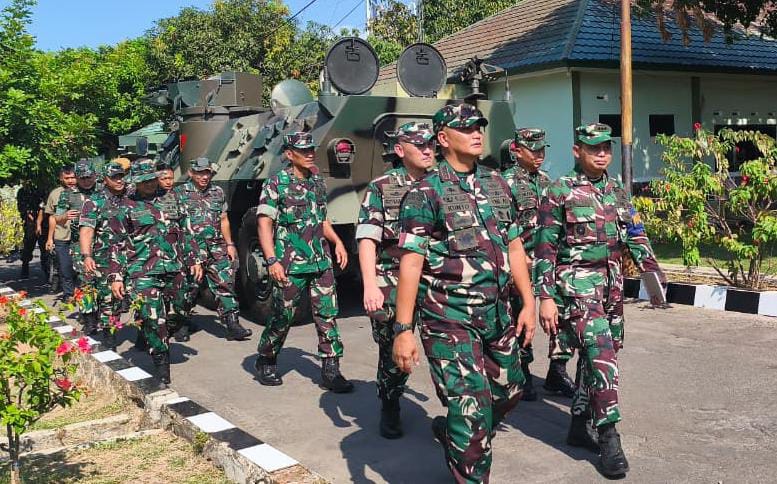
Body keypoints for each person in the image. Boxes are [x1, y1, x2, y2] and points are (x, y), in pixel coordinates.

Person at [392, 104, 536, 483]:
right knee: (470, 407)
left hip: (498, 313)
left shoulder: (497, 184)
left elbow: (516, 246)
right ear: (443, 138)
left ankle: (458, 436)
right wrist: (403, 330)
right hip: (448, 316)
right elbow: (411, 263)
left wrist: (529, 303)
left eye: (479, 127)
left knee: (509, 391)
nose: (477, 133)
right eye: (466, 128)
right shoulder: (425, 192)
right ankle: (469, 461)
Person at [534, 123, 665, 477]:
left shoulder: (617, 190)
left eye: (606, 147)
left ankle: (579, 423)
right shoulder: (559, 191)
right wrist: (545, 297)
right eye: (594, 148)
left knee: (598, 359)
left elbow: (635, 233)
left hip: (612, 285)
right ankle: (608, 435)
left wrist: (652, 275)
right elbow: (544, 250)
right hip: (576, 284)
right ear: (578, 151)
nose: (603, 153)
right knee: (602, 354)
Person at [254, 131, 352, 393]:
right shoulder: (276, 183)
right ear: (289, 154)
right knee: (282, 314)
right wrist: (271, 260)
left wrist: (337, 242)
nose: (310, 154)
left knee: (327, 315)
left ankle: (331, 369)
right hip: (289, 263)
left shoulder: (317, 181)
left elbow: (322, 219)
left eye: (312, 149)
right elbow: (264, 223)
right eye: (304, 150)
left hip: (321, 262)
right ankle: (266, 357)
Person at [357, 122, 435, 439]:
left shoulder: (445, 184)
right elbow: (367, 239)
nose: (428, 150)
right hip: (391, 278)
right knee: (394, 349)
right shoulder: (382, 187)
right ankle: (390, 401)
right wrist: (370, 284)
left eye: (431, 144)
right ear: (401, 150)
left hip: (436, 279)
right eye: (420, 145)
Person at [502, 128, 576, 401]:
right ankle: (522, 372)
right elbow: (502, 230)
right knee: (521, 316)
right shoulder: (504, 183)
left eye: (542, 150)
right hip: (520, 262)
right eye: (533, 150)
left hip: (547, 263)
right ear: (517, 150)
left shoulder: (547, 182)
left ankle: (557, 369)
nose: (539, 155)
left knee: (561, 316)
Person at [108, 159, 194, 383]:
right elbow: (117, 244)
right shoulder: (125, 207)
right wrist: (117, 276)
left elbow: (187, 231)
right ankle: (161, 366)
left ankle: (154, 335)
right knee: (155, 320)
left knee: (181, 310)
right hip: (142, 271)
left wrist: (194, 259)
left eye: (150, 180)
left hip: (175, 267)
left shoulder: (173, 199)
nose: (147, 185)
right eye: (142, 182)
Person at [173, 157, 252, 341]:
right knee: (189, 287)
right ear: (191, 173)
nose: (204, 176)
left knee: (225, 283)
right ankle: (182, 323)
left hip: (216, 247)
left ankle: (232, 324)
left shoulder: (217, 192)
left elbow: (223, 219)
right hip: (191, 249)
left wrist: (230, 244)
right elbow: (173, 225)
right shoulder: (179, 194)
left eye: (207, 172)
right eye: (200, 172)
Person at [79, 160, 129, 350]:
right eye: (114, 177)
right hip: (106, 258)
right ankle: (110, 340)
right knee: (110, 301)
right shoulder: (94, 202)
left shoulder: (132, 197)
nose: (118, 180)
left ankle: (145, 336)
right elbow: (86, 231)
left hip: (134, 257)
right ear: (104, 179)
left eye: (121, 176)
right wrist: (87, 256)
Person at [55, 159, 98, 328]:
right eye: (82, 178)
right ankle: (88, 318)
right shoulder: (68, 194)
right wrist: (65, 216)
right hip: (79, 244)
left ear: (95, 175)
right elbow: (57, 218)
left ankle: (104, 315)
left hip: (104, 244)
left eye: (89, 177)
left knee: (103, 281)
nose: (86, 181)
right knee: (86, 280)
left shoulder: (102, 190)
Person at [45, 166, 77, 298]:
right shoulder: (55, 194)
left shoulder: (84, 192)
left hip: (80, 237)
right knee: (65, 268)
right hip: (62, 236)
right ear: (61, 179)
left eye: (73, 177)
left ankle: (84, 296)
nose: (70, 180)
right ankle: (68, 295)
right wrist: (50, 238)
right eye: (67, 178)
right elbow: (52, 218)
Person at [16, 179, 49, 280]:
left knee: (44, 247)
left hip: (43, 221)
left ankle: (47, 270)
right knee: (28, 244)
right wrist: (28, 214)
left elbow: (44, 205)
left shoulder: (41, 190)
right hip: (29, 222)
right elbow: (21, 207)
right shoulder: (22, 191)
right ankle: (25, 266)